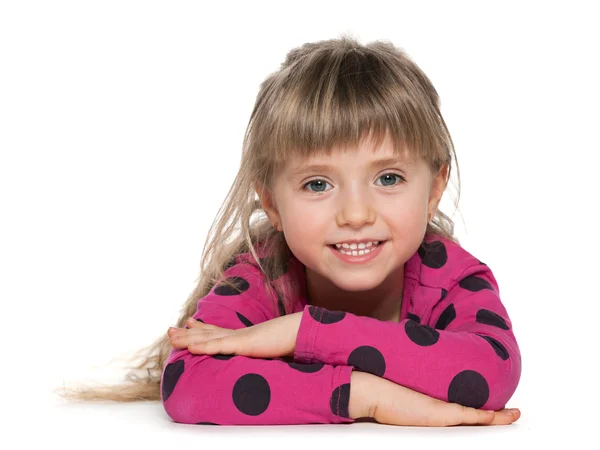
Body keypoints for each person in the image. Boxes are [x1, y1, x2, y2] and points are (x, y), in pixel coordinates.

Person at [55, 35, 522, 427]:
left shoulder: (453, 278)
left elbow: (491, 373)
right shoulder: (264, 272)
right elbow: (186, 385)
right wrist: (366, 397)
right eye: (318, 184)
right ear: (273, 203)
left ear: (434, 188)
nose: (356, 214)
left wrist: (306, 333)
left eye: (388, 178)